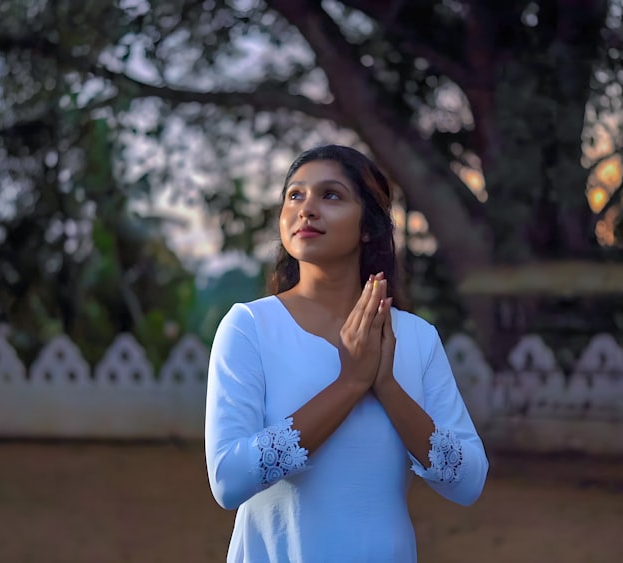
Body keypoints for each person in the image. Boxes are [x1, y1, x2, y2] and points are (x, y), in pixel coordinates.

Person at [205, 145, 489, 562]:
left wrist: (386, 385)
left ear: (368, 227)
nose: (307, 209)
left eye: (331, 195)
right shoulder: (250, 328)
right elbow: (228, 480)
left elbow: (468, 481)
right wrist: (350, 383)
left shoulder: (415, 338)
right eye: (295, 195)